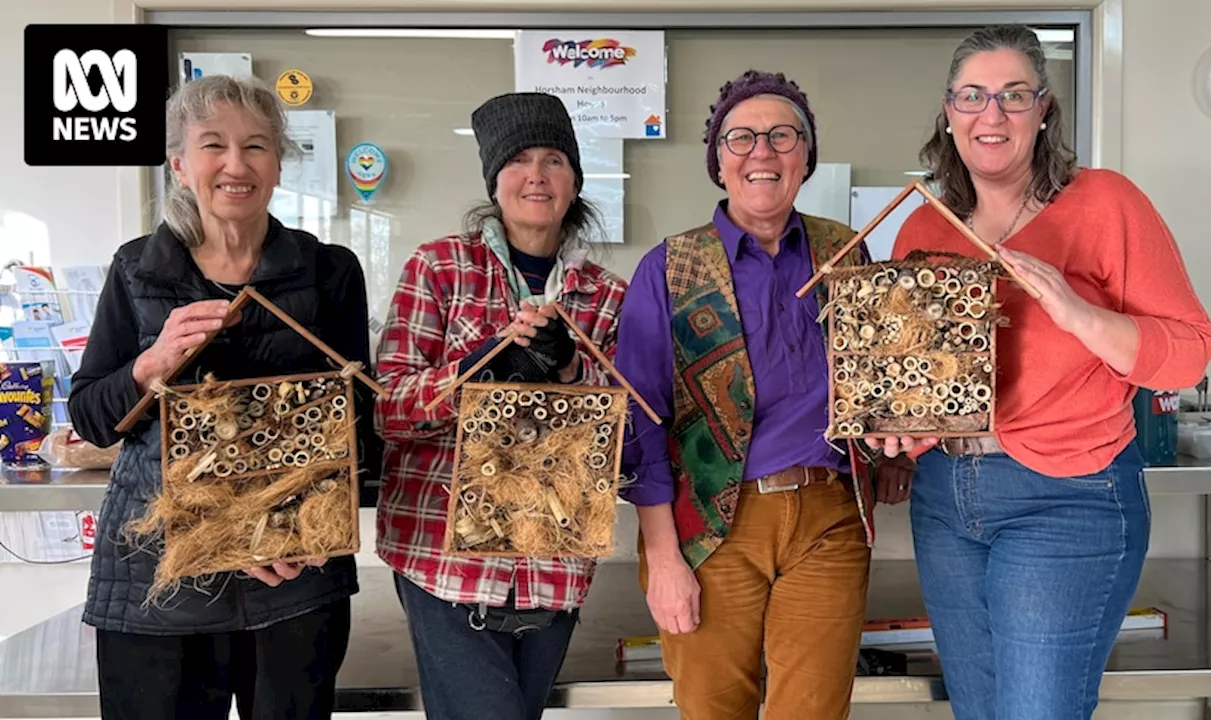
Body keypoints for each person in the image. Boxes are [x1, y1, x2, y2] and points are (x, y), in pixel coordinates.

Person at [873, 25, 1211, 719]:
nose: (990, 115)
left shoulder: (1106, 202)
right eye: (972, 96)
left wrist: (1078, 312)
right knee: (979, 709)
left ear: (1044, 109)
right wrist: (897, 425)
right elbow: (928, 383)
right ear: (949, 110)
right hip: (945, 501)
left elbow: (1189, 350)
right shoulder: (924, 231)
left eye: (1013, 96)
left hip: (1068, 497)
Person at [68, 75, 379, 720]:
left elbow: (359, 424)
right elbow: (92, 418)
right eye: (214, 145)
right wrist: (149, 365)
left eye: (257, 147)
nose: (236, 165)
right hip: (158, 573)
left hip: (296, 567)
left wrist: (313, 531)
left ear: (279, 164)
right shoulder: (137, 270)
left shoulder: (330, 272)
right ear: (180, 164)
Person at [614, 70, 877, 720]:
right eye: (741, 138)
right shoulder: (670, 268)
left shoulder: (847, 254)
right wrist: (664, 558)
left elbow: (878, 381)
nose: (762, 151)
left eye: (782, 136)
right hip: (709, 529)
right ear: (718, 162)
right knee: (714, 710)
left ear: (805, 156)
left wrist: (893, 455)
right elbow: (639, 423)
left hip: (828, 517)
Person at [373, 91, 629, 720]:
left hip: (555, 564)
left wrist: (572, 371)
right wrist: (478, 368)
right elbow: (390, 412)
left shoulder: (608, 297)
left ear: (574, 180)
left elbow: (626, 438)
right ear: (494, 180)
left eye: (553, 160)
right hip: (443, 564)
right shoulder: (437, 269)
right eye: (518, 161)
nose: (536, 175)